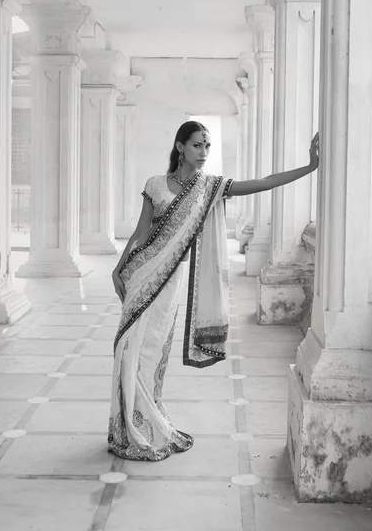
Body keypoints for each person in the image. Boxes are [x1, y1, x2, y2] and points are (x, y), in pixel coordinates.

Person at [108, 120, 319, 461]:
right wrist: (119, 268)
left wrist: (310, 167)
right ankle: (125, 427)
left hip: (169, 282)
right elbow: (140, 232)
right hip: (140, 274)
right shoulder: (156, 184)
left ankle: (144, 424)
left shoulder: (211, 188)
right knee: (126, 348)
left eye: (207, 147)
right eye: (197, 145)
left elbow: (264, 183)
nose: (204, 153)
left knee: (150, 351)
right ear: (180, 147)